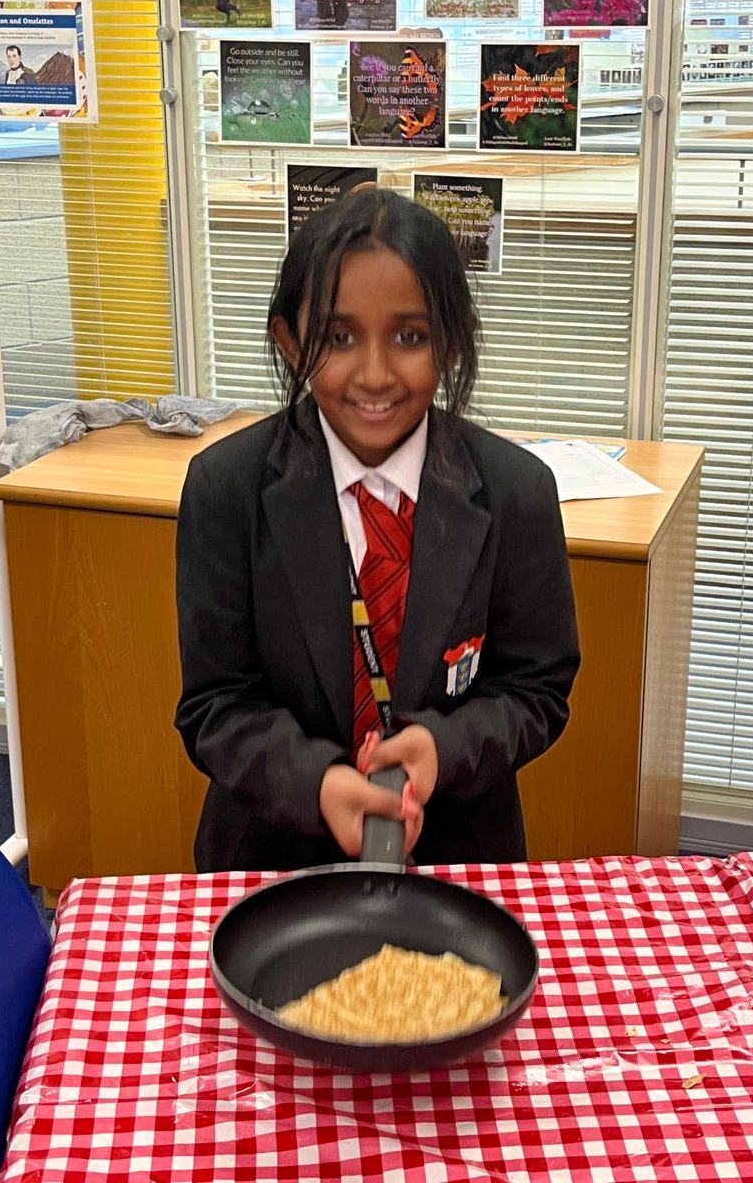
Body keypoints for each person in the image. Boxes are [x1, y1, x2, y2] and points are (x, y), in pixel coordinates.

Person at [175, 187, 580, 873]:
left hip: (456, 852)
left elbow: (536, 690)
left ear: (450, 342)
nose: (373, 374)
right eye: (337, 337)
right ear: (290, 339)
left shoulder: (517, 493)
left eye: (409, 337)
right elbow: (216, 706)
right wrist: (318, 782)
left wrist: (444, 748)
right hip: (272, 854)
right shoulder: (227, 489)